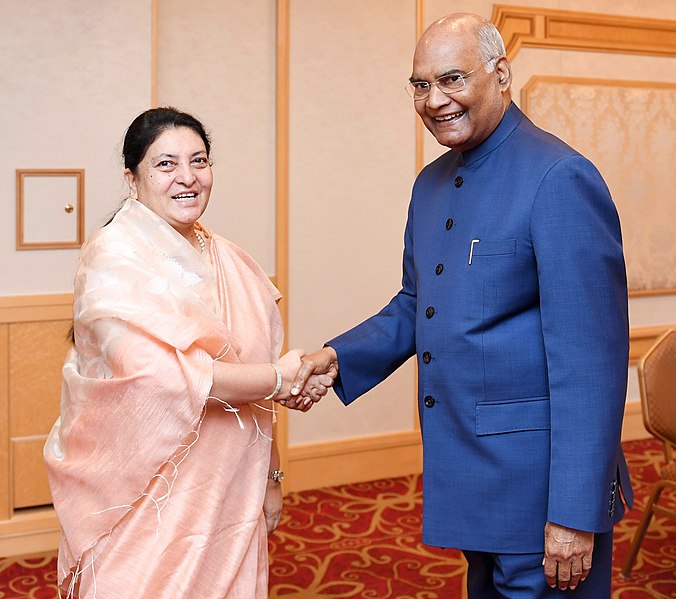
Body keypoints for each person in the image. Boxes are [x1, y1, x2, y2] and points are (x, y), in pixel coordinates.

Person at [289, 13, 633, 598]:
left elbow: (591, 364)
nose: (434, 99)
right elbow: (417, 304)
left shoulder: (559, 178)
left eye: (452, 79)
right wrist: (337, 357)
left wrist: (575, 513)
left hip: (541, 491)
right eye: (420, 84)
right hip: (468, 476)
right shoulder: (430, 183)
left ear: (500, 74)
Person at [44, 107, 332, 598]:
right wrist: (277, 380)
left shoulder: (229, 258)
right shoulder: (113, 257)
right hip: (148, 486)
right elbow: (158, 377)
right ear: (132, 179)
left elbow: (253, 382)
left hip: (231, 479)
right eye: (165, 164)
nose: (187, 178)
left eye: (199, 161)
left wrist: (271, 475)